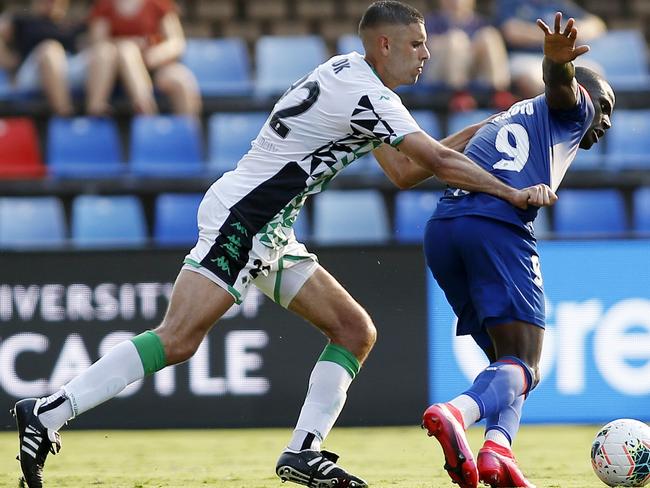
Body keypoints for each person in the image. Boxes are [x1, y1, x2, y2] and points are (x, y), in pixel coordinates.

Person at [11, 2, 557, 487]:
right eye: (416, 44)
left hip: (269, 227)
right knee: (178, 339)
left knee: (353, 330)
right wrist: (511, 192)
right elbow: (434, 163)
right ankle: (50, 410)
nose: (426, 53)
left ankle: (303, 451)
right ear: (384, 44)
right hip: (245, 219)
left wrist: (480, 132)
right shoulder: (368, 92)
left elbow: (403, 172)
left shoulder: (350, 76)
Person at [420, 12, 614, 488]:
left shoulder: (510, 115)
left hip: (444, 227)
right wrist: (559, 65)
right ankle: (455, 413)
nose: (605, 121)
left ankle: (497, 452)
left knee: (509, 366)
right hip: (496, 226)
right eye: (604, 107)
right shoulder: (570, 107)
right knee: (525, 363)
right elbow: (565, 90)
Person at [87, 0, 201, 116]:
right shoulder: (105, 5)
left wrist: (155, 55)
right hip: (115, 71)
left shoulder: (158, 3)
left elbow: (176, 43)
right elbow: (99, 43)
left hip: (154, 65)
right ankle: (145, 109)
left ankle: (188, 130)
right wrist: (130, 45)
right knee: (128, 51)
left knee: (182, 81)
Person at [496, 0, 607, 98]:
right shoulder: (511, 2)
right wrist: (552, 38)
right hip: (526, 58)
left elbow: (596, 24)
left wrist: (575, 32)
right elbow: (511, 31)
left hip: (562, 59)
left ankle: (590, 120)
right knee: (533, 79)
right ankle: (544, 119)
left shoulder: (555, 3)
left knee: (594, 75)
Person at [424, 0, 515, 111]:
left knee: (489, 36)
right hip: (440, 77)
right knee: (456, 40)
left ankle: (499, 92)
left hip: (473, 74)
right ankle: (458, 93)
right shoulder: (431, 22)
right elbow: (427, 48)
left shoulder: (481, 23)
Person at [0, 0, 86, 116]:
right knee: (49, 49)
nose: (49, 3)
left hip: (65, 69)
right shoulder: (22, 20)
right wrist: (9, 63)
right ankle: (65, 113)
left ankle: (97, 108)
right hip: (32, 72)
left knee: (105, 51)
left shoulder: (71, 25)